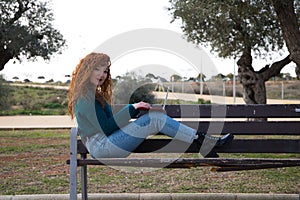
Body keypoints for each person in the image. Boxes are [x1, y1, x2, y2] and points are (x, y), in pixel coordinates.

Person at [68, 52, 234, 158]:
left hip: (105, 143)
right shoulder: (84, 98)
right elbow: (106, 128)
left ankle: (203, 142)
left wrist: (136, 110)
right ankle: (204, 142)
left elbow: (111, 124)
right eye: (98, 69)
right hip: (101, 146)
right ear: (87, 70)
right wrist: (132, 108)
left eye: (105, 71)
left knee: (154, 118)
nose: (102, 75)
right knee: (155, 119)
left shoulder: (94, 95)